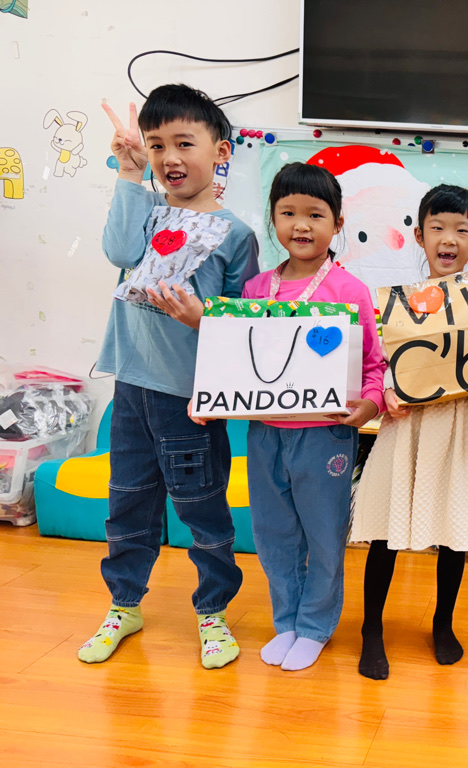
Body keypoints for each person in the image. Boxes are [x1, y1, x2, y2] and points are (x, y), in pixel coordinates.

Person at [78, 85, 258, 668]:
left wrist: (205, 320)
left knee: (203, 508)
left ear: (221, 151)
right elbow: (118, 251)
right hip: (131, 387)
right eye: (157, 145)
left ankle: (213, 611)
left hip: (189, 398)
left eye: (184, 143)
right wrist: (130, 173)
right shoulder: (146, 210)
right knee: (128, 503)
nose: (169, 157)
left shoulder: (237, 234)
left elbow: (241, 324)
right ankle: (123, 604)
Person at [192, 162, 387, 671]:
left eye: (315, 215)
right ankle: (287, 622)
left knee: (323, 533)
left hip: (325, 435)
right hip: (264, 434)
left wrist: (370, 403)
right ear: (273, 218)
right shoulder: (255, 290)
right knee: (273, 532)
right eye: (288, 213)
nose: (301, 225)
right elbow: (234, 356)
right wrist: (209, 396)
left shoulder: (350, 291)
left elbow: (374, 365)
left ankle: (316, 626)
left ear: (337, 223)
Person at [351, 184, 468, 680]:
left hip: (466, 423)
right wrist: (388, 391)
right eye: (438, 228)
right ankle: (371, 628)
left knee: (455, 529)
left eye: (461, 230)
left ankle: (443, 623)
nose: (449, 239)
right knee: (386, 529)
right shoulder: (401, 303)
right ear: (420, 236)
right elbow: (383, 363)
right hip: (410, 425)